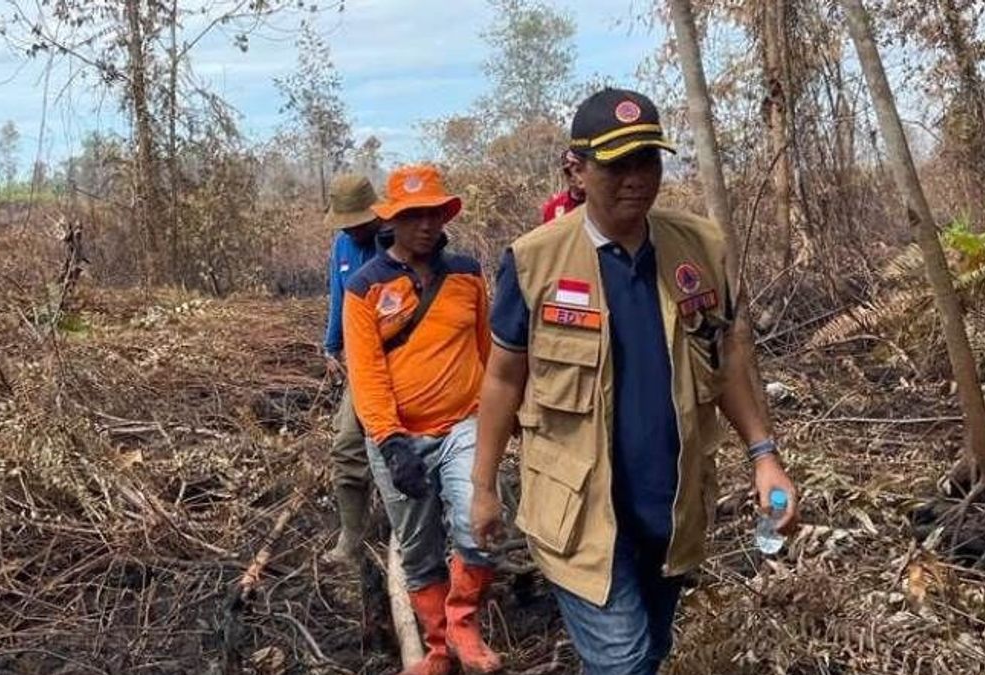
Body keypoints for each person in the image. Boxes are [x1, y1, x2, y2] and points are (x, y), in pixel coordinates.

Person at [471, 88, 800, 674]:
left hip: (671, 506)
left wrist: (764, 454)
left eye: (647, 160)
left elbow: (724, 360)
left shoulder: (699, 247)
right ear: (576, 169)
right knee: (623, 662)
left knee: (651, 648)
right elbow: (501, 378)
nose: (636, 179)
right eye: (616, 164)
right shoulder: (534, 261)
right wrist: (483, 486)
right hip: (579, 514)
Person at [343, 164, 502, 674]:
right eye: (414, 216)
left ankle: (463, 623)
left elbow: (488, 349)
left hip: (463, 423)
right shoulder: (365, 286)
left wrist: (501, 415)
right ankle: (436, 648)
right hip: (399, 432)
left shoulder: (467, 274)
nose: (426, 225)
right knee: (416, 546)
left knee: (477, 524)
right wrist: (390, 441)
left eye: (433, 213)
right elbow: (366, 373)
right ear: (394, 220)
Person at [321, 173, 385, 564]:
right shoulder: (342, 245)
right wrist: (331, 346)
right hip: (360, 365)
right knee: (346, 447)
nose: (352, 228)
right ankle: (351, 539)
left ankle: (410, 537)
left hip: (401, 361)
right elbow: (338, 299)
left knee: (400, 450)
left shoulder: (395, 240)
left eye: (358, 220)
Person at [540, 149, 586, 224]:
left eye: (581, 170)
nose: (574, 177)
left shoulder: (600, 203)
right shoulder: (553, 208)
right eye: (569, 173)